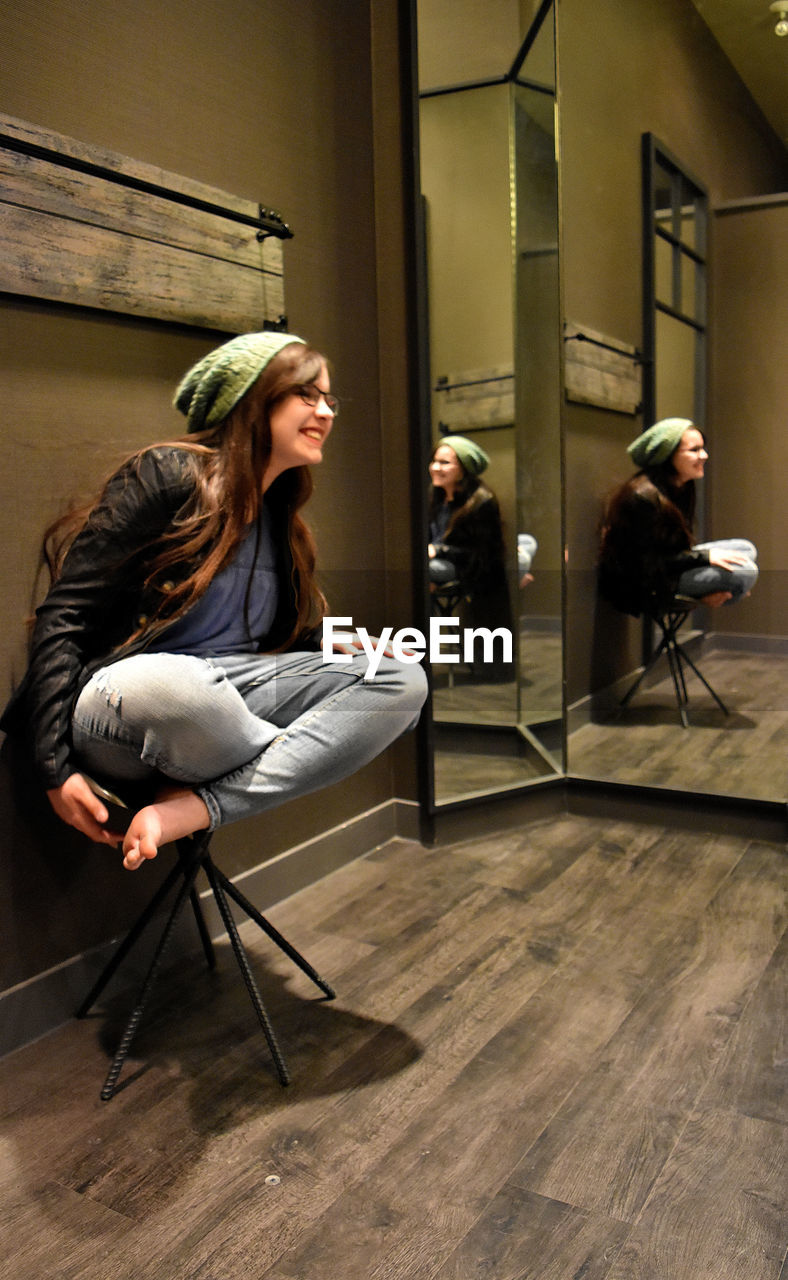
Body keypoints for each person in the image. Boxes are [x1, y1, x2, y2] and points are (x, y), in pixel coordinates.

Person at [1, 332, 427, 871]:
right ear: (252, 399)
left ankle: (192, 808)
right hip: (130, 701)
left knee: (399, 678)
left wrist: (327, 642)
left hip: (231, 691)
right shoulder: (165, 474)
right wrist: (53, 770)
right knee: (185, 688)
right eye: (307, 394)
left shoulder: (282, 517)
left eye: (330, 400)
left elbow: (260, 632)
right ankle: (270, 763)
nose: (325, 411)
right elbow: (65, 615)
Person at [598, 416, 758, 618]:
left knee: (746, 550)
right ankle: (711, 593)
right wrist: (705, 559)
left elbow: (672, 549)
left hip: (670, 564)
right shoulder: (643, 497)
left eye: (703, 448)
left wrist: (703, 561)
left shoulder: (680, 486)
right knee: (746, 572)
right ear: (668, 456)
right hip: (647, 581)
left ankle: (727, 587)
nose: (704, 455)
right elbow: (647, 562)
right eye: (694, 450)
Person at [427, 434, 513, 677]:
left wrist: (439, 550)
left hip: (466, 568)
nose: (435, 467)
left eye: (445, 463)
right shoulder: (435, 497)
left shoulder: (481, 501)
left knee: (417, 570)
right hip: (438, 563)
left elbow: (481, 554)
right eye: (434, 461)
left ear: (463, 470)